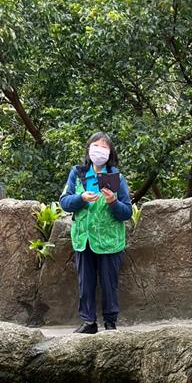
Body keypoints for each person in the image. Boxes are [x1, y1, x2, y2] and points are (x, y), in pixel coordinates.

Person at [59, 132, 132, 334]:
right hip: (84, 239)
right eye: (95, 146)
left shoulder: (117, 178)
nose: (99, 150)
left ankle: (110, 323)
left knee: (110, 284)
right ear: (89, 149)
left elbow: (126, 212)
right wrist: (81, 197)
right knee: (86, 283)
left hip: (109, 241)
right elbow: (64, 202)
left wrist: (113, 202)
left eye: (104, 147)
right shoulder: (78, 173)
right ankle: (89, 322)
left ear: (110, 153)